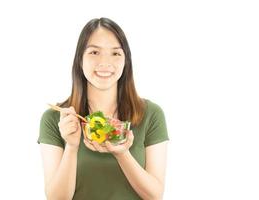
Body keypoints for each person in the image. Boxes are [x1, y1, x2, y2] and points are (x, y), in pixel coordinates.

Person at [38, 17, 169, 200]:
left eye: (115, 53)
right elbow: (57, 198)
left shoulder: (151, 114)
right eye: (94, 52)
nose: (105, 63)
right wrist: (72, 146)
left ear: (126, 61)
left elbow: (155, 195)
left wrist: (123, 154)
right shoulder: (55, 118)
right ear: (79, 60)